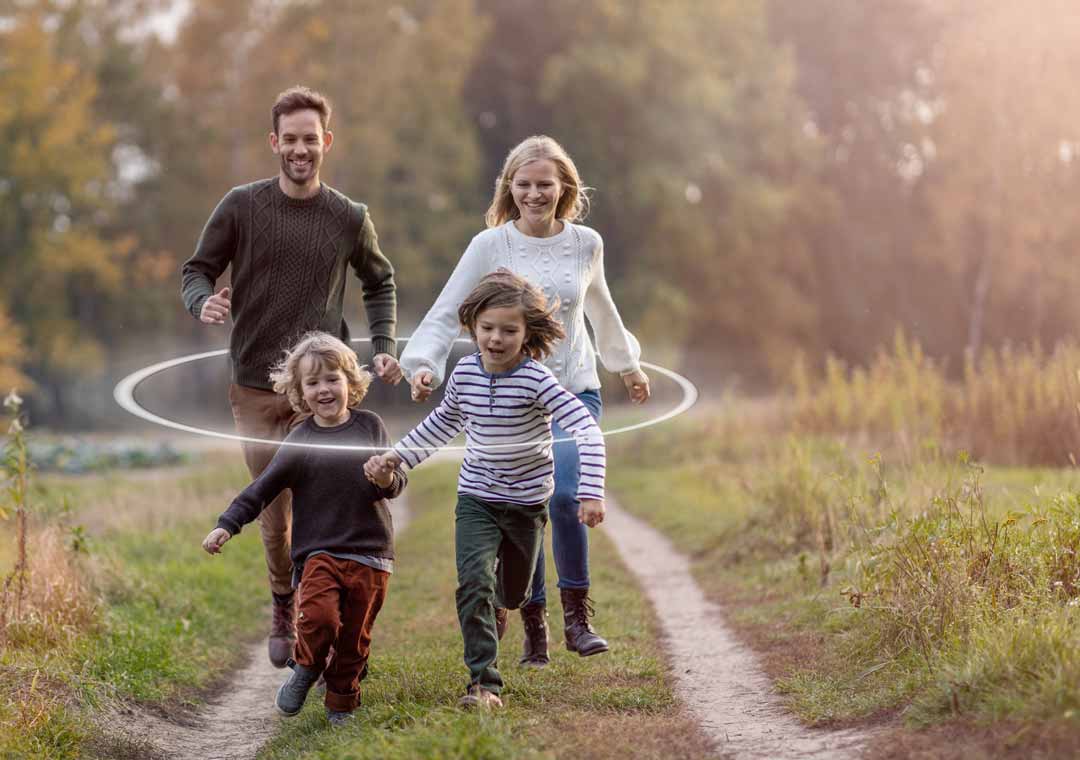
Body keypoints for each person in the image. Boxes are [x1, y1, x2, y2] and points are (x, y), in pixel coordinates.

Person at [398, 135, 648, 666]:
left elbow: (601, 308)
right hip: (512, 397)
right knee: (524, 503)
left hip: (574, 387)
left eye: (545, 185)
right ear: (510, 187)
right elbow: (450, 309)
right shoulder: (490, 245)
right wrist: (423, 365)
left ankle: (577, 616)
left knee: (565, 493)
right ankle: (534, 620)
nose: (535, 194)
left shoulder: (587, 243)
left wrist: (626, 365)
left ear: (564, 188)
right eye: (525, 184)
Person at [181, 86, 403, 668]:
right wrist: (201, 300)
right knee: (274, 511)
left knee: (327, 503)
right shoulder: (240, 206)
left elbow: (379, 281)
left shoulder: (349, 216)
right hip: (255, 384)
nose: (300, 149)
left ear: (325, 142)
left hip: (320, 389)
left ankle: (317, 603)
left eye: (311, 139)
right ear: (274, 142)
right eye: (290, 139)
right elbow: (196, 269)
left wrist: (380, 346)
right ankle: (285, 599)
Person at [365, 270, 606, 708]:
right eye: (487, 328)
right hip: (476, 497)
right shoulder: (465, 373)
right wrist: (397, 457)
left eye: (509, 330)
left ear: (527, 331)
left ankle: (501, 607)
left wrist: (591, 490)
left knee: (510, 594)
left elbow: (585, 428)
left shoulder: (537, 380)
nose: (496, 338)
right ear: (472, 325)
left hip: (527, 503)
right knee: (473, 582)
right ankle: (483, 684)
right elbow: (441, 424)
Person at [202, 332, 405, 725]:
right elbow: (261, 488)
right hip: (320, 553)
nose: (324, 389)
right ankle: (307, 668)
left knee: (354, 639)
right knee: (319, 619)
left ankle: (340, 704)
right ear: (299, 392)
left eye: (332, 378)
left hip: (372, 554)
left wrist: (385, 479)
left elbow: (396, 484)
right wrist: (226, 525)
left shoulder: (370, 427)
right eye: (312, 383)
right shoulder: (301, 439)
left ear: (351, 382)